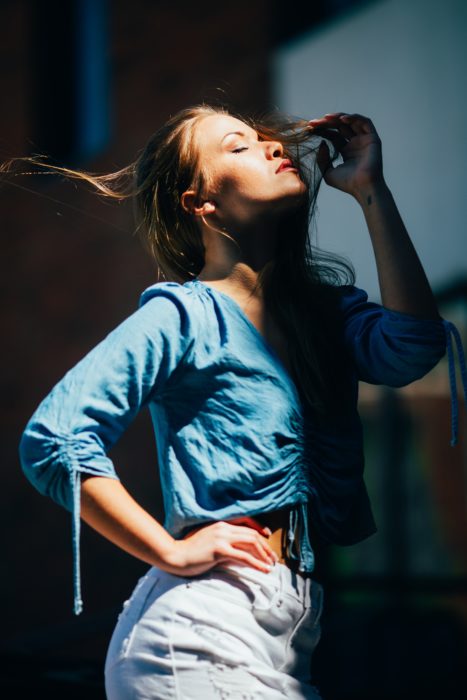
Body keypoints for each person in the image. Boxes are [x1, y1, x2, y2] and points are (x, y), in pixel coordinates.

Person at [16, 104, 466, 699]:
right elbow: (54, 440)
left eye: (265, 139)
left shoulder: (323, 315)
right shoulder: (181, 316)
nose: (275, 148)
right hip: (201, 628)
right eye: (238, 146)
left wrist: (369, 190)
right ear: (199, 202)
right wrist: (168, 550)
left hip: (288, 634)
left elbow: (411, 348)